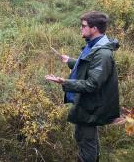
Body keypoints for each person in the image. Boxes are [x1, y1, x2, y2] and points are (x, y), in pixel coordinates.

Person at [45, 11, 120, 162]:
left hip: (91, 106)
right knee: (88, 139)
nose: (81, 29)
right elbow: (88, 65)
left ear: (94, 29)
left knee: (85, 141)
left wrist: (65, 82)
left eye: (84, 26)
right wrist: (71, 61)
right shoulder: (94, 45)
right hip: (88, 103)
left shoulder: (102, 53)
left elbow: (93, 84)